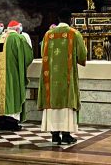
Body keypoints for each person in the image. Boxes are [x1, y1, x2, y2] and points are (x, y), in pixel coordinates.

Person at [38, 8, 87, 144]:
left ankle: (54, 135)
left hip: (52, 77)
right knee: (66, 103)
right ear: (70, 20)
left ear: (58, 19)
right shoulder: (74, 34)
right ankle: (66, 135)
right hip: (67, 77)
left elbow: (43, 53)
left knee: (53, 102)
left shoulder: (48, 34)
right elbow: (82, 55)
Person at [0, 20, 33, 131]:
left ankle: (1, 122)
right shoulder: (19, 38)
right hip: (12, 74)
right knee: (11, 94)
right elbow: (28, 57)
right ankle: (11, 123)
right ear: (17, 29)